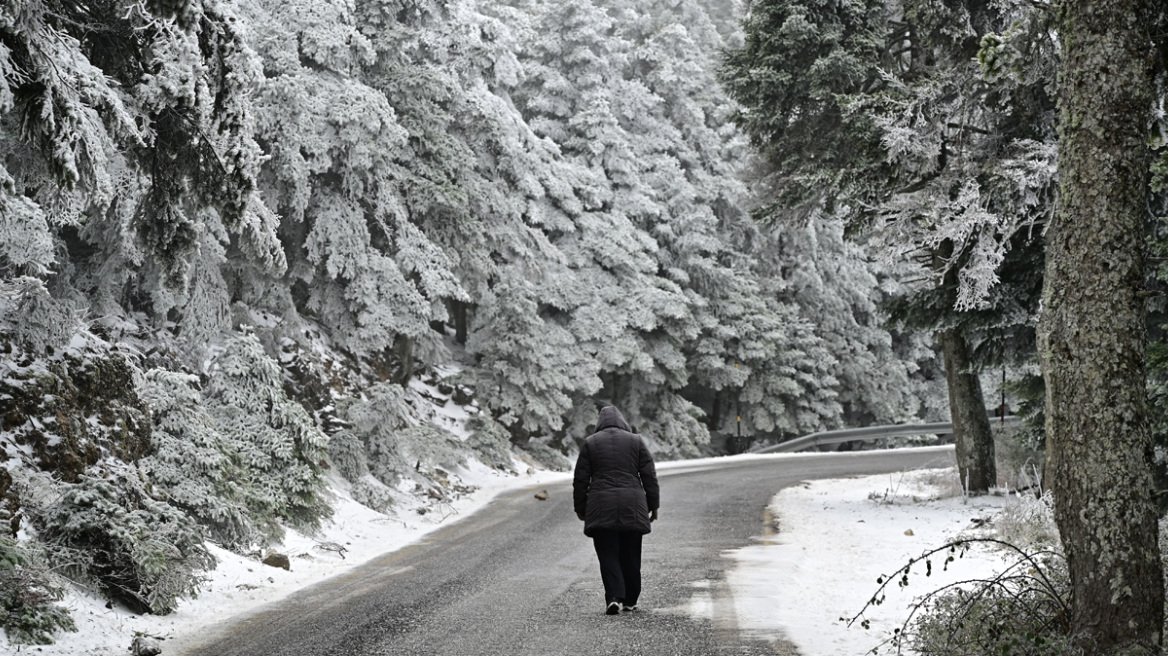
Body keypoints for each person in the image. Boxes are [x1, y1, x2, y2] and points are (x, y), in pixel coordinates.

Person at [573, 405, 660, 615]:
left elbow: (581, 480)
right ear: (622, 422)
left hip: (601, 505)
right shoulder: (636, 441)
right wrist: (653, 505)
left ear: (599, 424)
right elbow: (649, 475)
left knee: (608, 554)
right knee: (631, 554)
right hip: (633, 503)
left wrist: (580, 508)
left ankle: (613, 597)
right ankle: (630, 600)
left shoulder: (591, 443)